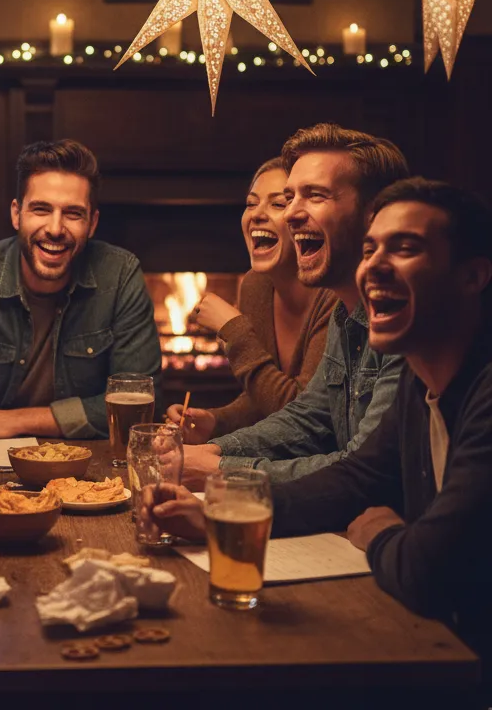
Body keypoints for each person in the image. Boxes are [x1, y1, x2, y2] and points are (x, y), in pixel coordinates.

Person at [140, 180, 492, 669]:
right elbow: (356, 478)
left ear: (473, 276)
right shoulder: (420, 375)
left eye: (406, 248)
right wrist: (215, 520)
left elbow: (427, 568)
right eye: (372, 249)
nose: (376, 265)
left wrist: (383, 534)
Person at [0, 139, 161, 468]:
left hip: (89, 471)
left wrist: (18, 420)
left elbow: (140, 398)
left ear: (92, 223)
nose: (55, 229)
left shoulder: (120, 275)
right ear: (16, 214)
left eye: (73, 214)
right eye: (41, 209)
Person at [178, 124, 410, 489]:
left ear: (375, 213)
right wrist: (215, 450)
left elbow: (369, 470)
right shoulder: (345, 313)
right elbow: (309, 418)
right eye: (291, 197)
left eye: (314, 195)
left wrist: (221, 472)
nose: (288, 215)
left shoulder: (407, 319)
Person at [165, 157, 339, 439]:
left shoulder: (335, 297)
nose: (257, 214)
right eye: (251, 203)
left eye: (277, 204)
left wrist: (234, 329)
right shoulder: (255, 285)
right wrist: (214, 421)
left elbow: (303, 416)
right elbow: (262, 398)